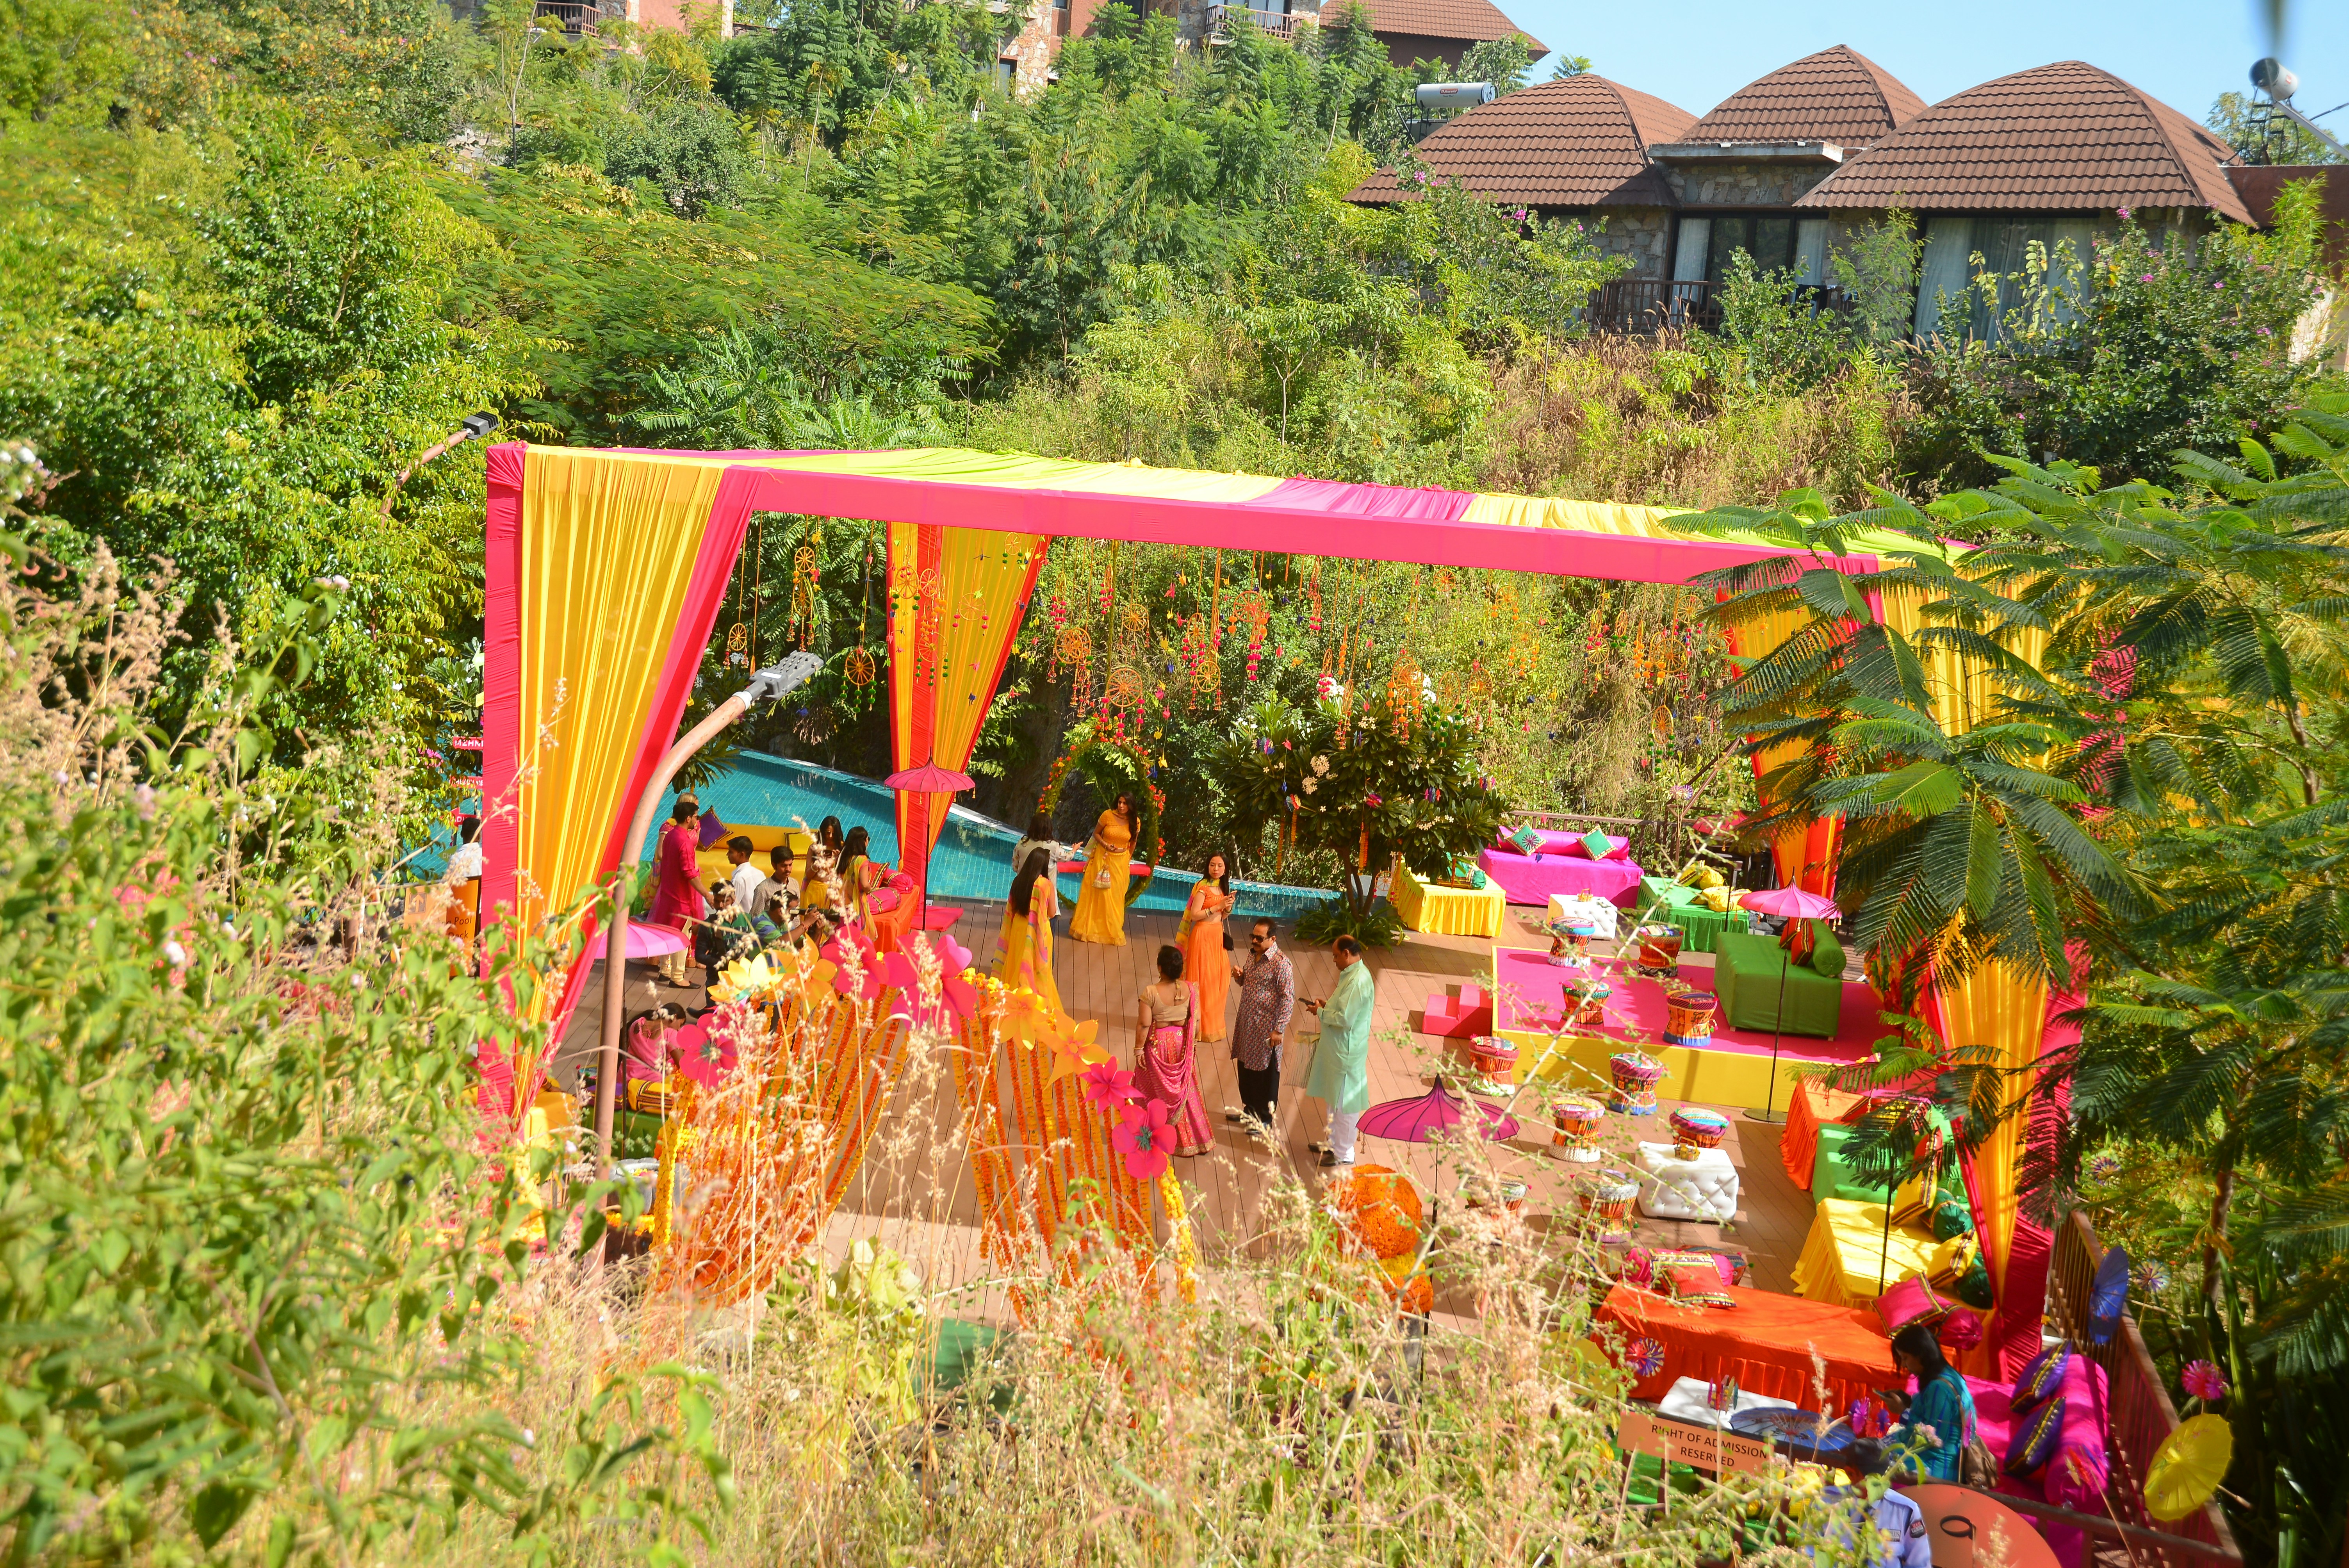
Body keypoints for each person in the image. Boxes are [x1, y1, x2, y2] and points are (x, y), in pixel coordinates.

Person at [1303, 935, 1374, 1169]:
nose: (1333, 960)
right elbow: (1342, 1008)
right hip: (1339, 1049)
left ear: (1347, 954)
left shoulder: (1357, 981)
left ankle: (1344, 1152)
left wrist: (1321, 1013)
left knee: (1345, 1105)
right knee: (1335, 1100)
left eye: (1335, 955)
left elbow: (1344, 1018)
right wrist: (1327, 1006)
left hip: (1347, 1051)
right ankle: (1334, 1145)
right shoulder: (1352, 975)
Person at [1133, 944, 1211, 1158]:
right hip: (1181, 1044)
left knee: (1152, 1090)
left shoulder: (1151, 992)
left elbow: (1144, 1024)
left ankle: (1152, 1137)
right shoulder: (1191, 989)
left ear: (1160, 968)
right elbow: (1195, 1022)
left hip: (1158, 1045)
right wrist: (1191, 1047)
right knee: (1185, 1089)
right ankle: (1192, 1140)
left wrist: (1139, 1050)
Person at [1881, 1322, 1978, 1481]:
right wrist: (1909, 1403)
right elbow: (1933, 1417)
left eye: (1905, 1358)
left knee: (1872, 1459)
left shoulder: (1939, 1388)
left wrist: (1903, 1412)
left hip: (1939, 1465)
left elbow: (1931, 1439)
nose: (1904, 1364)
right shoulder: (1947, 1374)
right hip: (1934, 1455)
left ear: (1920, 1355)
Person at [1226, 917, 1294, 1139]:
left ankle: (1264, 1118)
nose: (1254, 941)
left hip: (1267, 1030)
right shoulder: (1252, 955)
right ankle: (1250, 1111)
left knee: (1265, 1074)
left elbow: (1288, 999)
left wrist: (1279, 1029)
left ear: (1272, 939)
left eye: (1259, 938)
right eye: (1252, 936)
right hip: (1248, 1024)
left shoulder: (1281, 964)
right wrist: (1240, 977)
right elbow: (1249, 983)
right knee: (1246, 1070)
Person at [995, 846, 1064, 1013]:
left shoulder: (1018, 881)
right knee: (1036, 967)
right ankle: (1034, 1003)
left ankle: (1013, 1001)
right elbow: (1052, 913)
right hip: (1038, 931)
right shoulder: (1046, 885)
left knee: (1017, 962)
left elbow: (1012, 907)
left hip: (1019, 927)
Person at [647, 796, 705, 986]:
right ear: (688, 818)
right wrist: (706, 893)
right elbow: (689, 873)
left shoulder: (671, 835)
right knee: (683, 934)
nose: (697, 820)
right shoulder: (685, 842)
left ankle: (665, 971)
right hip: (682, 896)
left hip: (668, 891)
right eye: (696, 816)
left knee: (668, 931)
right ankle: (678, 976)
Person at [1069, 792, 1139, 945]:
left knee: (1115, 897)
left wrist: (1128, 857)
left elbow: (1133, 842)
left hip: (1120, 863)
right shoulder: (1108, 815)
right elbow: (1096, 834)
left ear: (1130, 806)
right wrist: (1106, 845)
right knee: (1099, 894)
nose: (1121, 806)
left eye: (1125, 804)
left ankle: (1110, 932)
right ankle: (1090, 930)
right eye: (1120, 802)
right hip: (1103, 858)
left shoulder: (1135, 822)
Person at [1179, 852, 1235, 1042]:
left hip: (1217, 936)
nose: (1216, 869)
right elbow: (1195, 915)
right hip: (1202, 936)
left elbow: (1223, 916)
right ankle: (1199, 1027)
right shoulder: (1203, 888)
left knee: (1220, 979)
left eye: (1220, 866)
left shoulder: (1223, 887)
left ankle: (1213, 1024)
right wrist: (1218, 906)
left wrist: (1227, 906)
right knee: (1203, 981)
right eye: (1212, 865)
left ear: (1226, 868)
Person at [837, 825, 879, 926]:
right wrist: (870, 890)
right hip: (855, 906)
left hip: (839, 904)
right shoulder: (862, 861)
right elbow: (865, 885)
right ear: (864, 842)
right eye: (868, 839)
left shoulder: (842, 858)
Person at [801, 816, 844, 914]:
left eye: (833, 834)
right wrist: (818, 864)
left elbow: (845, 872)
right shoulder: (814, 848)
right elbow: (808, 875)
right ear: (823, 832)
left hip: (833, 892)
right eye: (828, 833)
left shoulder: (842, 848)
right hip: (815, 890)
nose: (830, 836)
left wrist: (837, 859)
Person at [752, 841, 795, 923]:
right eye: (784, 866)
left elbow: (796, 915)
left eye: (790, 865)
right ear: (774, 865)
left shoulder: (794, 884)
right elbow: (756, 918)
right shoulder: (763, 889)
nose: (788, 870)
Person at [726, 835, 763, 916]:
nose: (727, 855)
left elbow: (731, 907)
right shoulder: (760, 874)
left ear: (742, 855)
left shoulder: (739, 879)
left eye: (731, 852)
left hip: (745, 924)